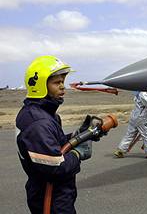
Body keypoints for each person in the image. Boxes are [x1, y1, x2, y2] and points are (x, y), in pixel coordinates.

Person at [16, 55, 92, 213]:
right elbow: (56, 167)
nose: (63, 87)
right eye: (57, 83)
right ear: (41, 86)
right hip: (50, 199)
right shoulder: (38, 123)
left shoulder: (43, 114)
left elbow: (53, 144)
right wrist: (78, 153)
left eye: (62, 82)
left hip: (54, 194)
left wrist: (78, 135)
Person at [114, 91, 147, 159]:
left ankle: (120, 150)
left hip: (135, 117)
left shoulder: (138, 94)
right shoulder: (143, 93)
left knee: (129, 135)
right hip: (141, 118)